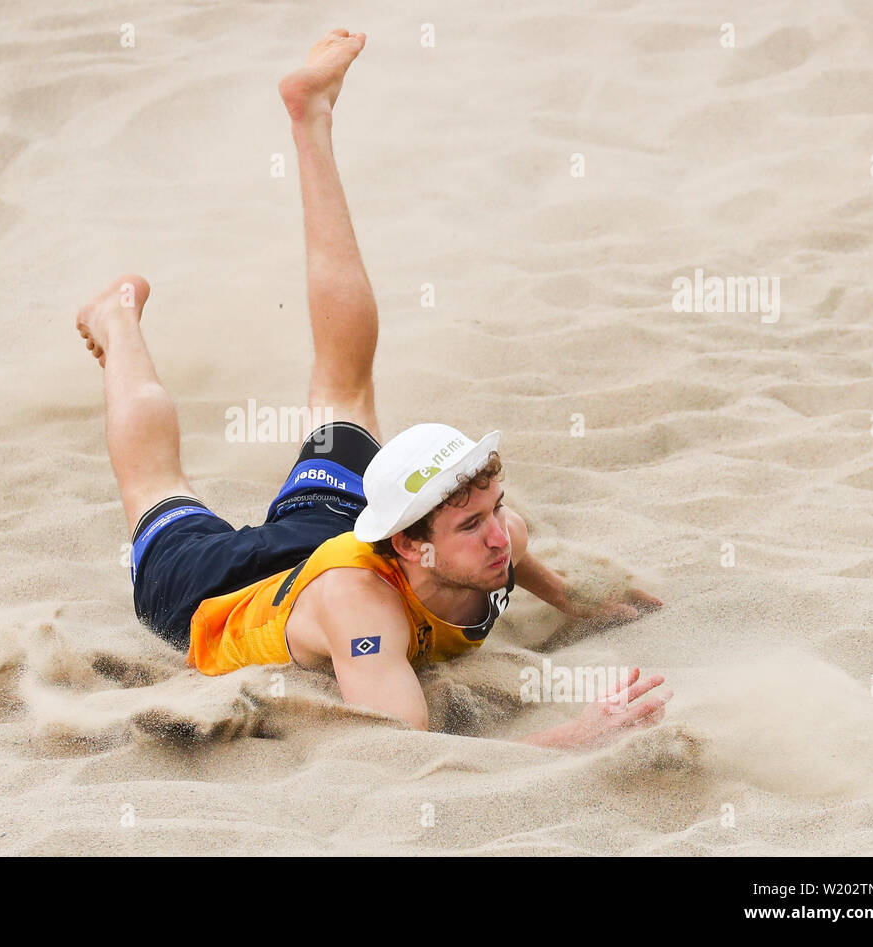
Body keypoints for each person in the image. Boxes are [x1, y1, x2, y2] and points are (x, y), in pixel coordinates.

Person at [76, 29, 670, 750]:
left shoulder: (491, 534)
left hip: (324, 535)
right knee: (154, 485)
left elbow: (515, 551)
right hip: (214, 591)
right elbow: (410, 752)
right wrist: (582, 731)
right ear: (412, 544)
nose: (498, 535)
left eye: (492, 507)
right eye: (470, 524)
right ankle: (116, 317)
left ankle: (310, 118)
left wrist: (573, 598)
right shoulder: (364, 616)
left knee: (346, 387)